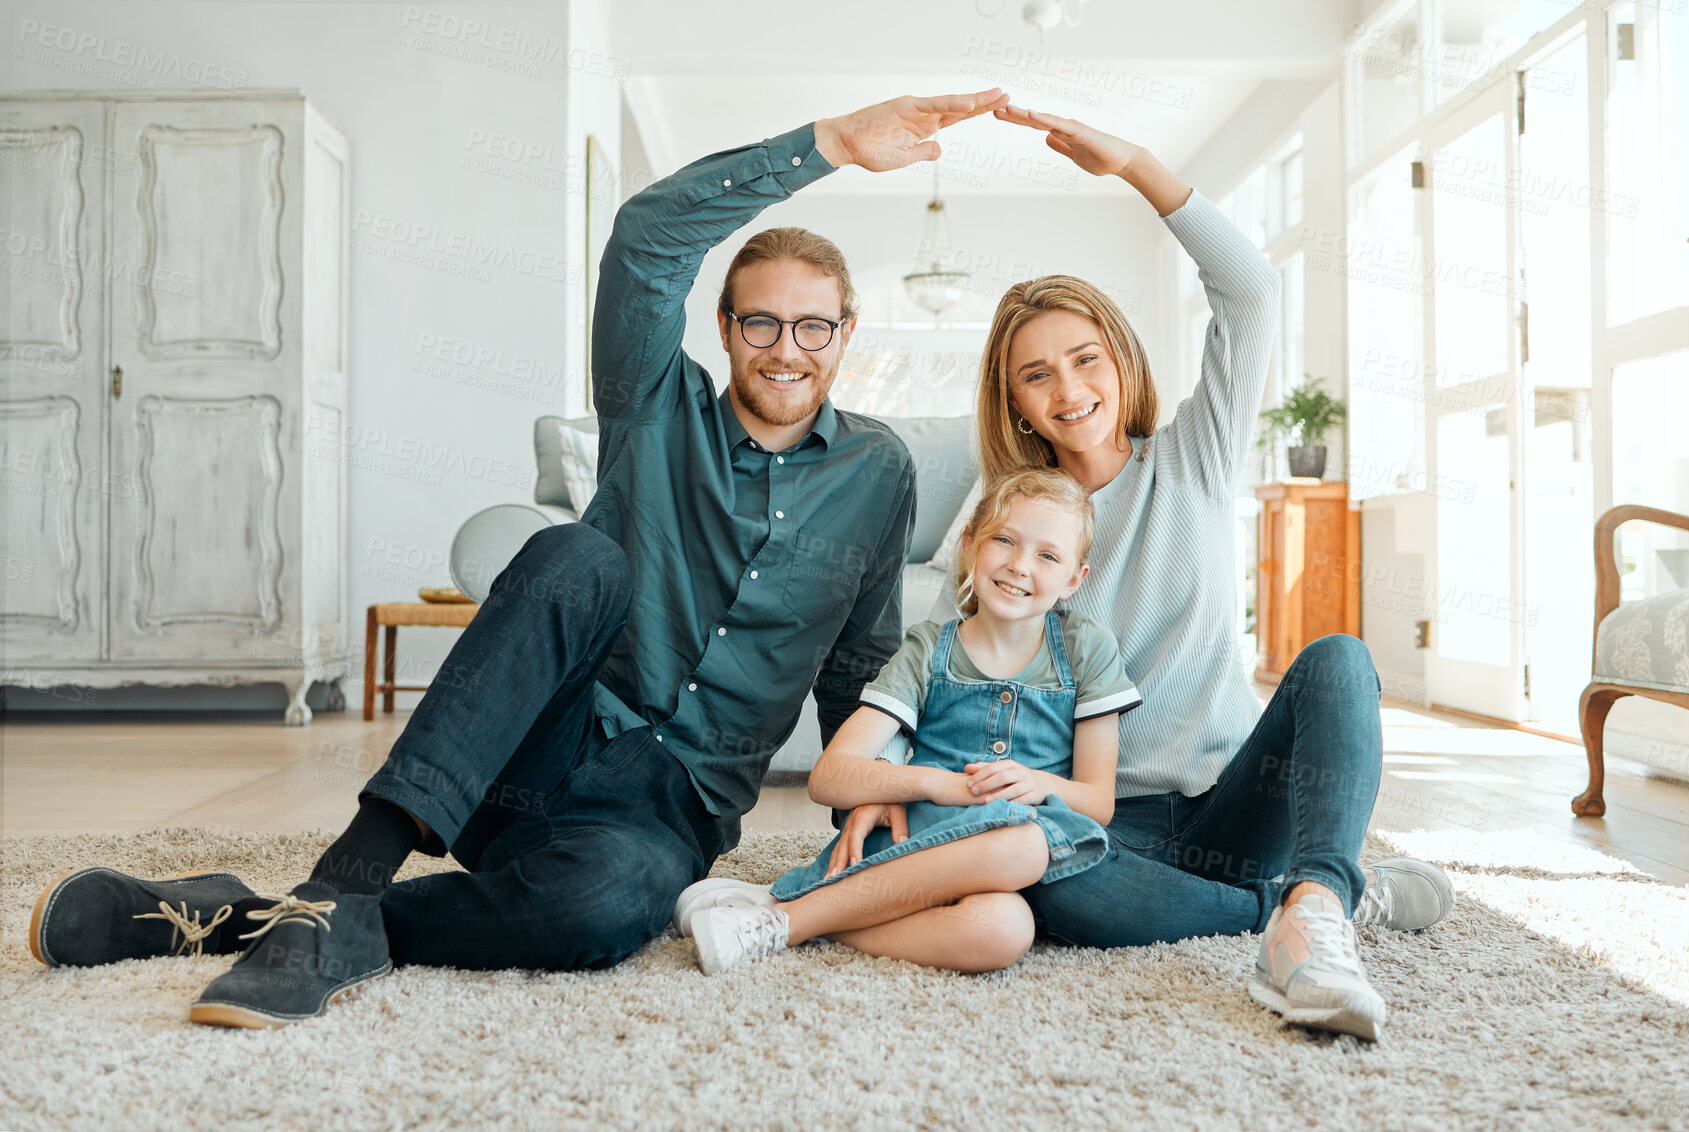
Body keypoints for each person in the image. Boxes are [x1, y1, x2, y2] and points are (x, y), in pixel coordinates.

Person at [25, 89, 1015, 1028]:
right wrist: (831, 144)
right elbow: (644, 239)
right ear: (723, 328)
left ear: (845, 335)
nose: (785, 349)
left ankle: (267, 920)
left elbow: (859, 658)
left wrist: (883, 794)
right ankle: (346, 879)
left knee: (596, 915)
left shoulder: (878, 471)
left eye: (812, 326)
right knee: (575, 554)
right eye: (760, 321)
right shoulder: (651, 405)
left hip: (669, 811)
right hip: (536, 757)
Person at [835, 104, 1454, 1043]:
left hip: (1235, 798)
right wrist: (894, 773)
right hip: (1100, 826)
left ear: (1121, 360)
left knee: (1337, 659)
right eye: (1037, 375)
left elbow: (1249, 293)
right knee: (1032, 881)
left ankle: (1318, 903)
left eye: (1085, 358)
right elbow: (964, 676)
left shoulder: (1193, 457)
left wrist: (1135, 166)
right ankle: (1277, 907)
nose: (1069, 389)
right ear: (1017, 403)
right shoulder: (1011, 525)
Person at [674, 467, 1140, 974]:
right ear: (970, 546)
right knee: (1026, 848)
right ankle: (782, 925)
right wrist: (938, 786)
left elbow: (1098, 802)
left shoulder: (1086, 648)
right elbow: (830, 777)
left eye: (1048, 555)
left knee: (1005, 930)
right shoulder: (926, 650)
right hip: (915, 838)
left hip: (1008, 860)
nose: (1020, 565)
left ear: (1074, 579)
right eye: (1003, 540)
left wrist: (1034, 784)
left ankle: (783, 913)